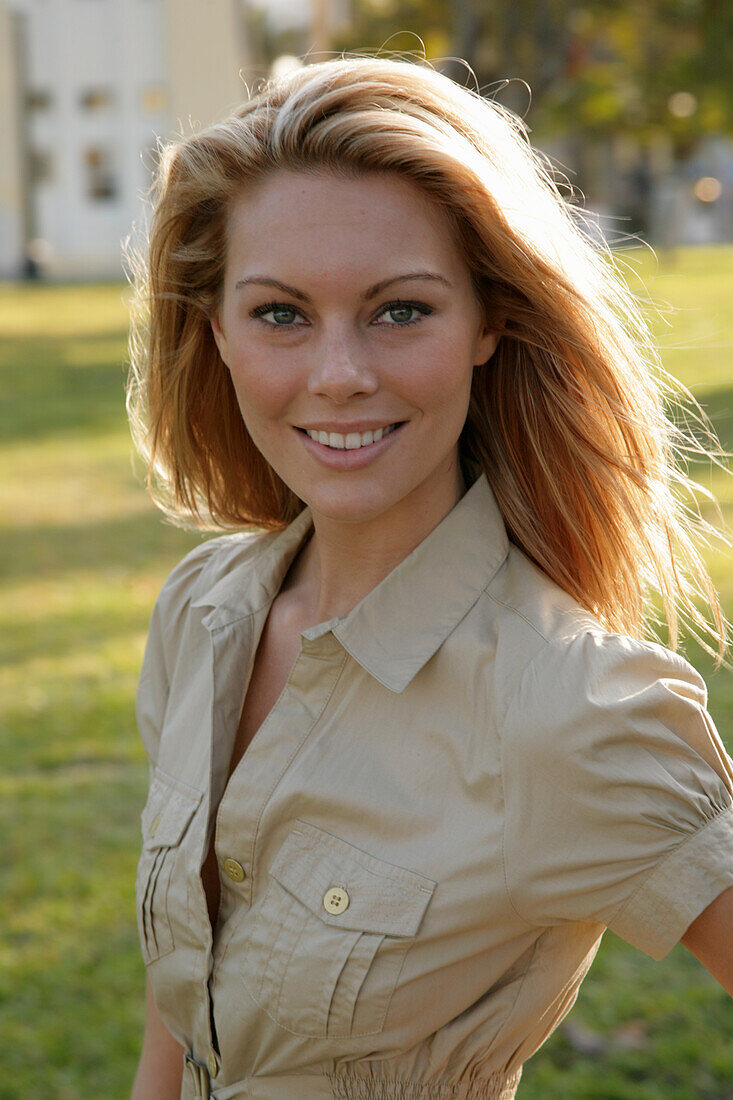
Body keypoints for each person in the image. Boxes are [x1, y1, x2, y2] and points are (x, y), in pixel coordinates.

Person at [126, 55, 733, 1100]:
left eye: (400, 310)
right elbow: (178, 1026)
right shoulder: (204, 611)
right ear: (216, 328)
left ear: (488, 321)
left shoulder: (568, 705)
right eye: (280, 313)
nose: (339, 373)